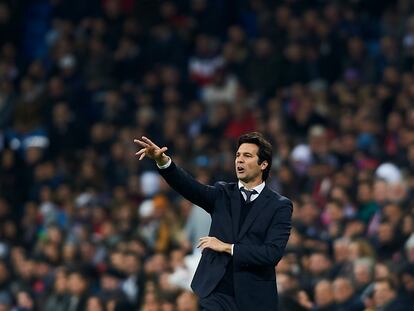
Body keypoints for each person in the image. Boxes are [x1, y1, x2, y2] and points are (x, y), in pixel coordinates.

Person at [134, 132, 293, 311]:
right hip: (215, 293)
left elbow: (271, 254)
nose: (239, 160)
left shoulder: (280, 206)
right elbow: (189, 187)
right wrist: (163, 162)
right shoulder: (222, 193)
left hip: (253, 298)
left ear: (263, 164)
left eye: (247, 156)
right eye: (238, 155)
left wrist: (227, 247)